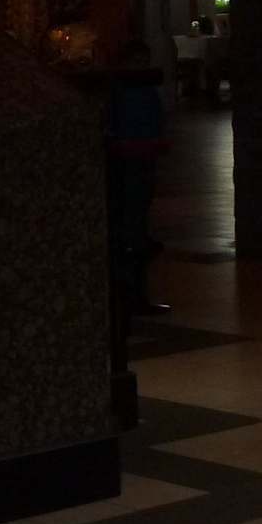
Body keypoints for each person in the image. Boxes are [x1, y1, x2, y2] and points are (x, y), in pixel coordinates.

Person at [104, 38, 170, 320]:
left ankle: (133, 291)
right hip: (131, 163)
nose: (142, 67)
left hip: (137, 162)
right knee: (131, 225)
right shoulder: (130, 92)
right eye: (137, 62)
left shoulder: (129, 92)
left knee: (135, 222)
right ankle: (132, 292)